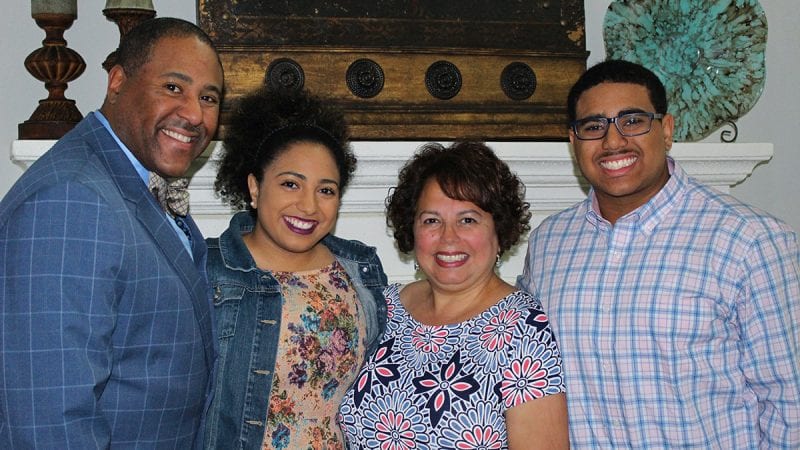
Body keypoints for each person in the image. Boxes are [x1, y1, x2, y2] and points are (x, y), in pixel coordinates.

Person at [518, 59, 800, 448]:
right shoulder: (550, 242)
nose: (613, 141)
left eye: (632, 121)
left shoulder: (750, 240)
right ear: (574, 141)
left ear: (666, 130)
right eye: (593, 126)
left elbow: (790, 402)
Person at [0, 18, 224, 448]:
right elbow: (51, 424)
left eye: (208, 97)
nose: (195, 114)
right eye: (174, 88)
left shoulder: (131, 182)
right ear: (118, 80)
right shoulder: (70, 200)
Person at [339, 141, 569, 449]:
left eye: (468, 219)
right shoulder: (382, 307)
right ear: (412, 228)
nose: (448, 237)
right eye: (432, 220)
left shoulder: (523, 328)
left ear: (498, 231)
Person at [202, 86, 388, 449]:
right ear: (255, 187)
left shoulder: (360, 271)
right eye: (291, 184)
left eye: (326, 190)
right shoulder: (208, 271)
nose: (308, 206)